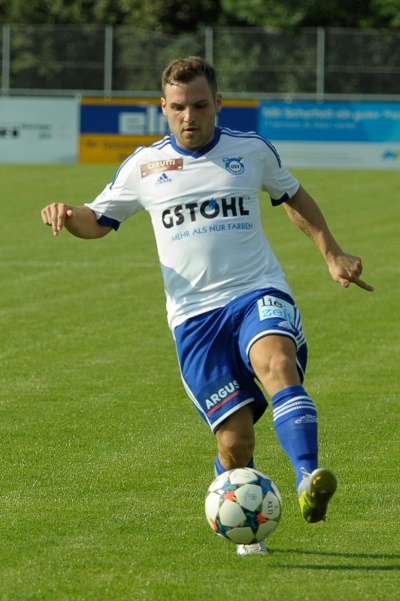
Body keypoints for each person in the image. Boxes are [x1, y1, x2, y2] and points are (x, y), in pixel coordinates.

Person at [41, 56, 374, 556]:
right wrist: (68, 215)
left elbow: (292, 196)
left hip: (256, 291)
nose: (189, 117)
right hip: (195, 319)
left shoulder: (251, 150)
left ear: (218, 103)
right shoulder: (144, 166)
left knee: (278, 363)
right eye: (178, 107)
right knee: (236, 441)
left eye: (199, 105)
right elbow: (98, 220)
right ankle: (244, 520)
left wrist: (332, 254)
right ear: (163, 107)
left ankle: (308, 478)